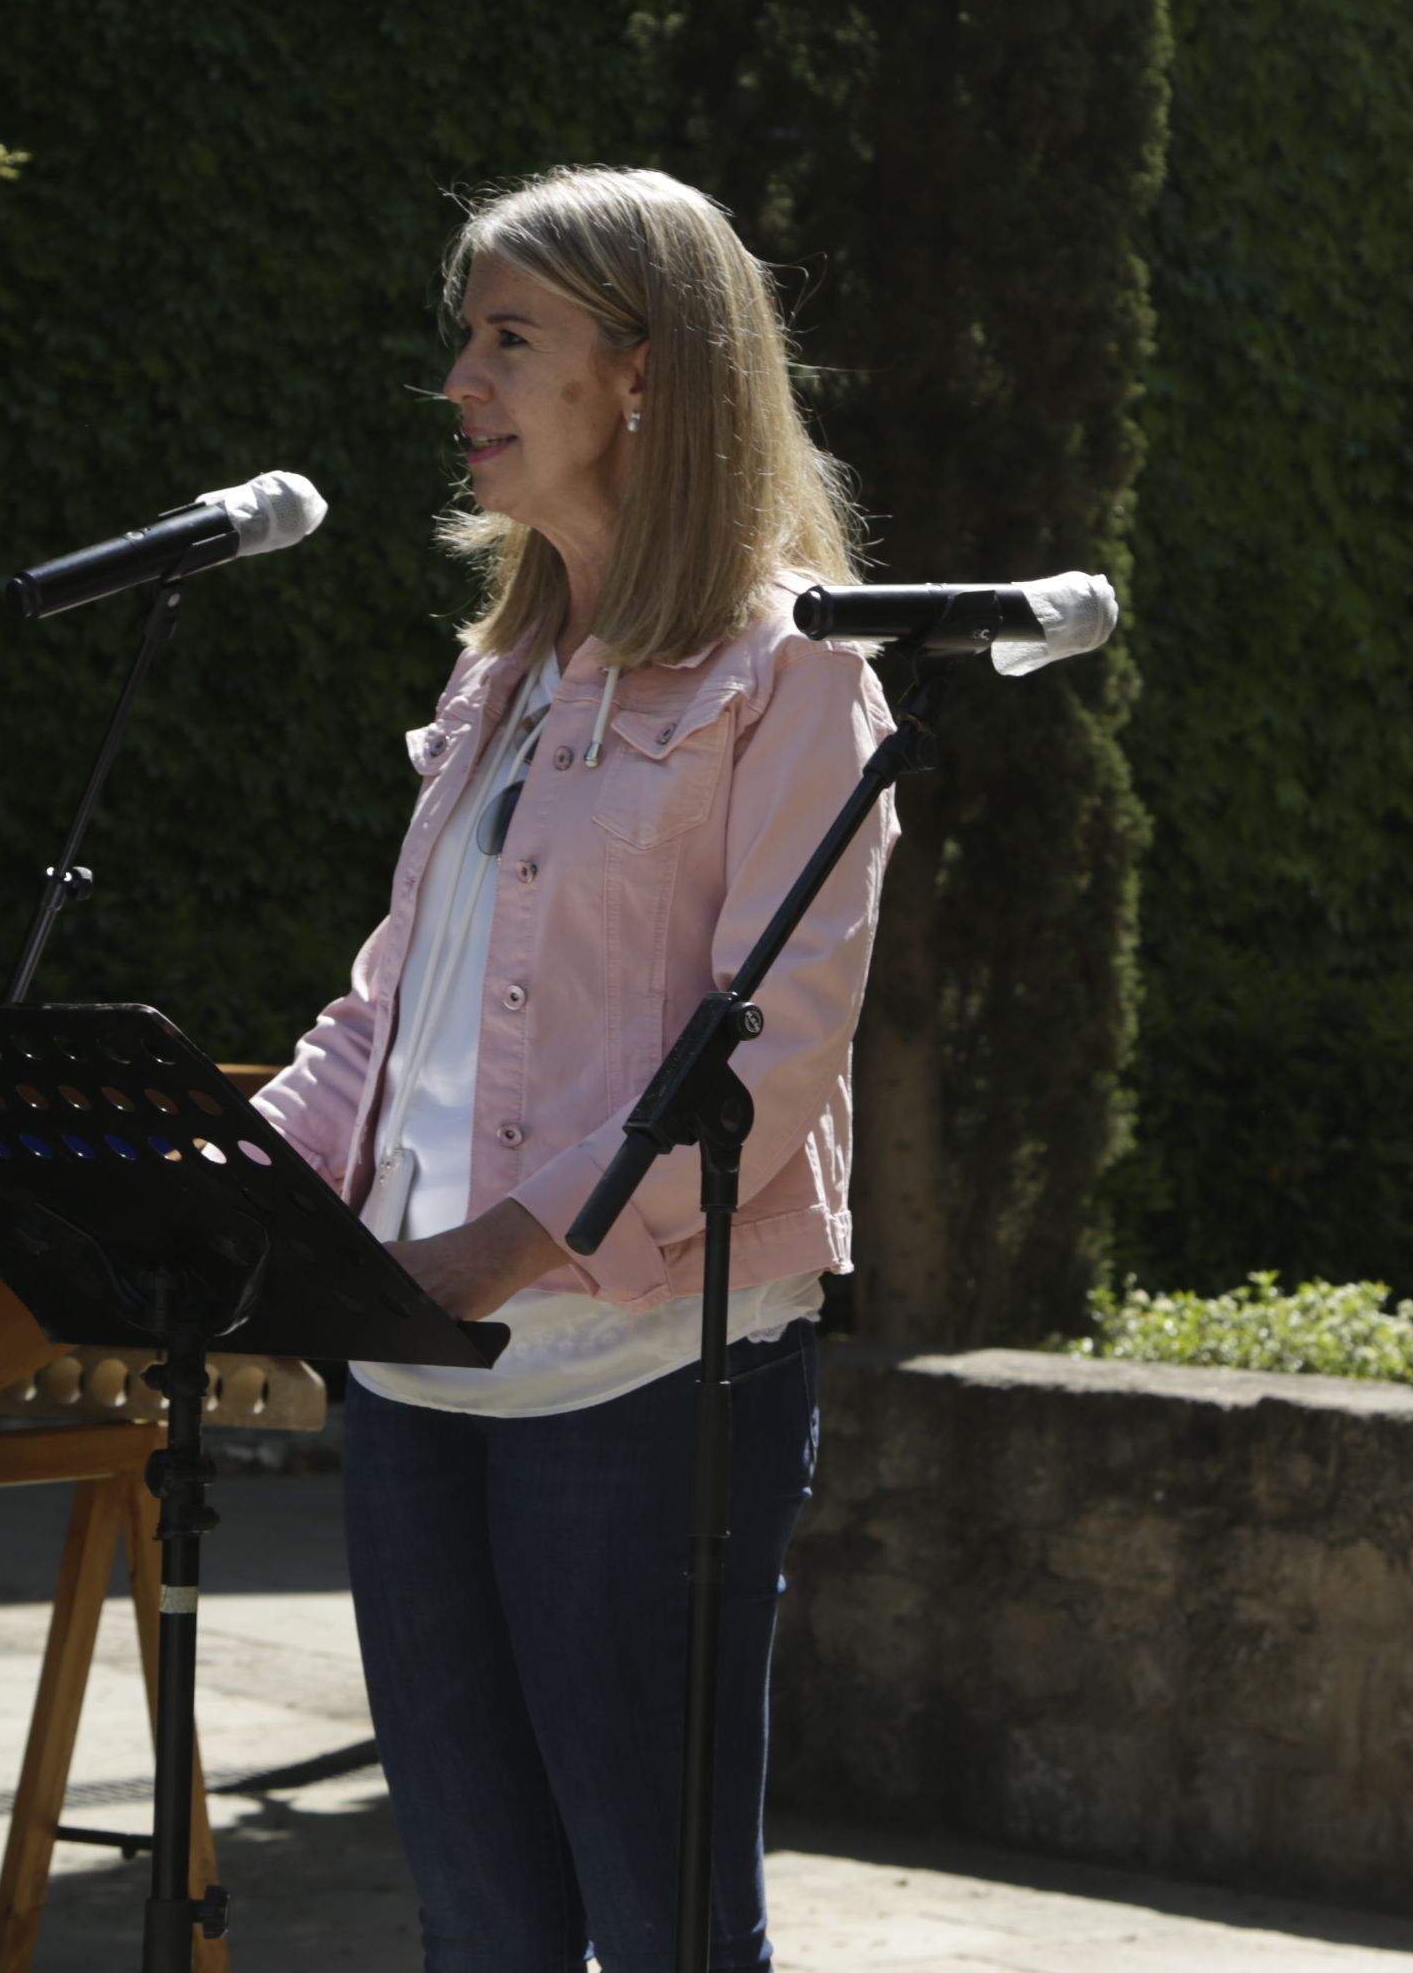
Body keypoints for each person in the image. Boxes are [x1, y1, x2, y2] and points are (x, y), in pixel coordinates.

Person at [252, 165, 895, 1972]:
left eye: (508, 339)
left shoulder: (796, 675)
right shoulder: (506, 674)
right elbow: (393, 1007)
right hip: (416, 1369)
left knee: (661, 1924)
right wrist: (230, 1180)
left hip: (644, 1377)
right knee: (479, 1929)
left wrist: (508, 1247)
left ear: (646, 373)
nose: (460, 380)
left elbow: (769, 1050)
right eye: (466, 337)